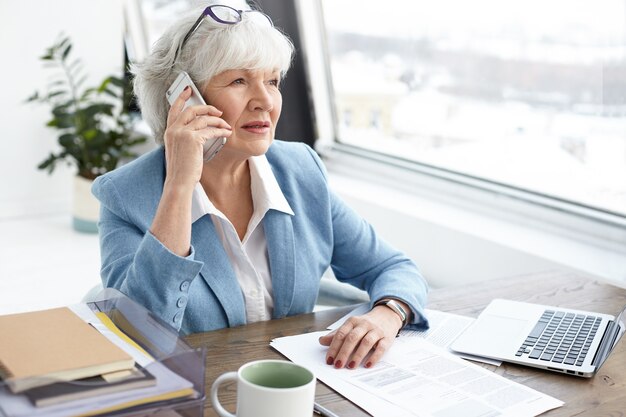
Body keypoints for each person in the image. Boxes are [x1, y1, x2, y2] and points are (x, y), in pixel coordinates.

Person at [92, 0, 429, 370]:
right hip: (196, 395)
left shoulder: (300, 170)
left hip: (290, 387)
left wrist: (387, 314)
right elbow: (137, 337)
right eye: (239, 81)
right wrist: (178, 186)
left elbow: (393, 267)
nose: (266, 101)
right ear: (182, 98)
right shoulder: (124, 195)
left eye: (271, 81)